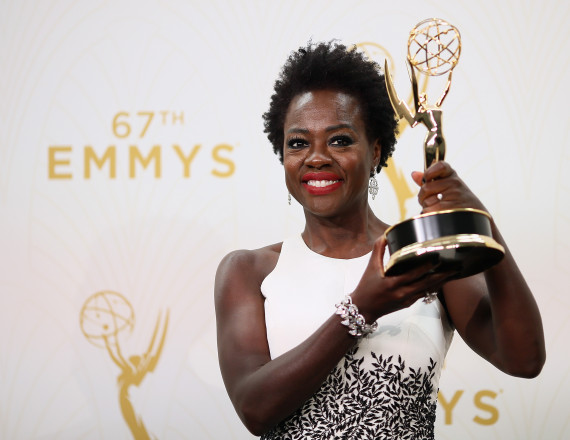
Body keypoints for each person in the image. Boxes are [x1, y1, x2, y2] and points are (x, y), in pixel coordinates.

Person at [214, 41, 545, 439]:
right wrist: (360, 308)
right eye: (298, 143)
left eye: (339, 140)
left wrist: (483, 226)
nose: (316, 157)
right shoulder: (250, 270)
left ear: (375, 151)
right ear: (282, 156)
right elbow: (255, 409)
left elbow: (524, 360)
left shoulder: (423, 256)